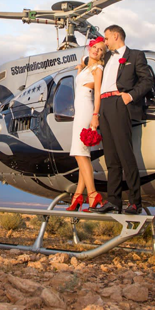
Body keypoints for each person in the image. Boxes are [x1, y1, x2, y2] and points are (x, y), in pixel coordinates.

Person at [90, 25, 153, 215]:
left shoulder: (135, 56)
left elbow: (147, 81)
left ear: (116, 36)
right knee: (111, 157)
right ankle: (114, 201)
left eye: (107, 38)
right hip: (105, 105)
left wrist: (130, 96)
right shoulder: (107, 57)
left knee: (125, 154)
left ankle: (135, 202)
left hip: (120, 102)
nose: (105, 42)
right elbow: (92, 57)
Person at [67, 37, 107, 212]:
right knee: (83, 154)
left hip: (86, 111)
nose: (96, 51)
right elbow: (80, 88)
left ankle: (92, 194)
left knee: (79, 154)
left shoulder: (98, 69)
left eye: (100, 50)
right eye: (95, 47)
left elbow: (97, 93)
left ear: (102, 55)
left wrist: (95, 115)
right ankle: (77, 197)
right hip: (80, 111)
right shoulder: (87, 69)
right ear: (90, 47)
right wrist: (80, 70)